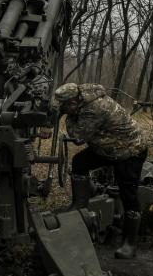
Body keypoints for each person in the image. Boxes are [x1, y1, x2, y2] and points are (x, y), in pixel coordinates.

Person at [54, 82, 146, 259]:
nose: (63, 109)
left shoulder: (94, 109)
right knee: (79, 163)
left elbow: (78, 137)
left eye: (65, 106)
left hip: (129, 151)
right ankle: (79, 206)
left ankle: (130, 244)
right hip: (108, 147)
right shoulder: (82, 98)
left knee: (129, 196)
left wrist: (68, 118)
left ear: (74, 102)